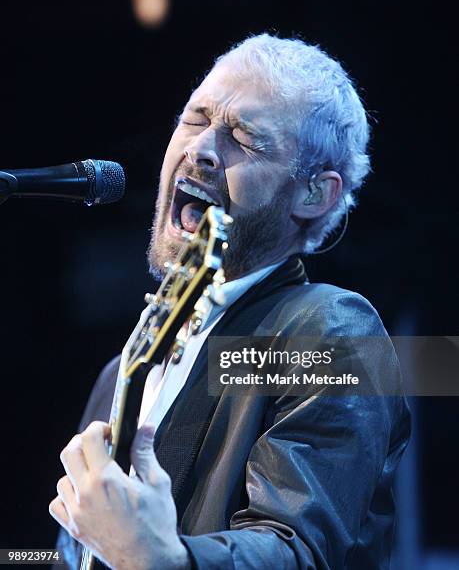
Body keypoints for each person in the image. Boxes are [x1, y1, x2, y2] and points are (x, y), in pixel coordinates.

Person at [50, 34, 411, 569]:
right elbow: (62, 553)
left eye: (246, 138)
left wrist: (164, 560)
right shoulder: (119, 374)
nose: (200, 149)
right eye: (194, 120)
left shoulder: (329, 330)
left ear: (315, 194)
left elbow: (296, 549)